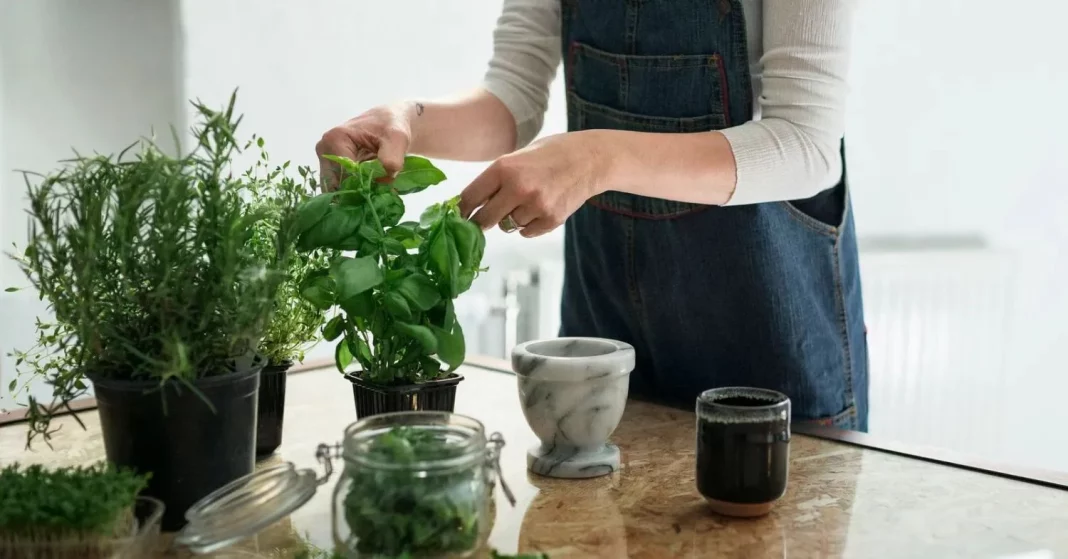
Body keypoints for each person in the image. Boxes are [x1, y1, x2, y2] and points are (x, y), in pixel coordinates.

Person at [316, 0, 868, 430]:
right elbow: (514, 97)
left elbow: (804, 143)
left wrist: (596, 158)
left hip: (766, 343)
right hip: (606, 337)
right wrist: (405, 122)